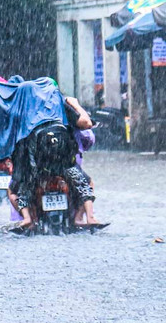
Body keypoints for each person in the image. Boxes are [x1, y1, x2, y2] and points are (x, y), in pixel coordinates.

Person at [10, 96, 101, 230]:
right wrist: (75, 104)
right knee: (86, 184)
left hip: (38, 168)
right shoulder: (63, 109)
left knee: (16, 189)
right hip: (65, 166)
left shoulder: (25, 113)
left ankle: (27, 218)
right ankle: (86, 217)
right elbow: (86, 125)